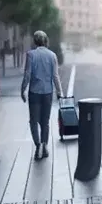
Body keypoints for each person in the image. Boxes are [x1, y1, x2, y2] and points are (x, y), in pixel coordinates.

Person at [21, 30, 64, 160]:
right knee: (45, 122)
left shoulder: (30, 55)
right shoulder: (52, 55)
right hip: (47, 93)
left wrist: (22, 89)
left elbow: (27, 74)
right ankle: (44, 145)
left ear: (34, 41)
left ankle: (38, 144)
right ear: (46, 41)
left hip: (34, 92)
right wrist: (59, 92)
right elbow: (55, 76)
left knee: (33, 121)